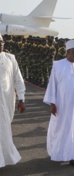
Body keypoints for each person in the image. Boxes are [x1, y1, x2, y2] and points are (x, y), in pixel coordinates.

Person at [43, 39, 74, 168]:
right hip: (63, 105)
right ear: (69, 52)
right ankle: (59, 153)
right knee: (61, 129)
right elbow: (52, 85)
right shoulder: (58, 65)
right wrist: (52, 103)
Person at [0, 34, 26, 168]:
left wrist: (21, 98)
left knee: (4, 129)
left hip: (6, 102)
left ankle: (5, 158)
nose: (0, 44)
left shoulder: (10, 58)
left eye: (1, 42)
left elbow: (18, 80)